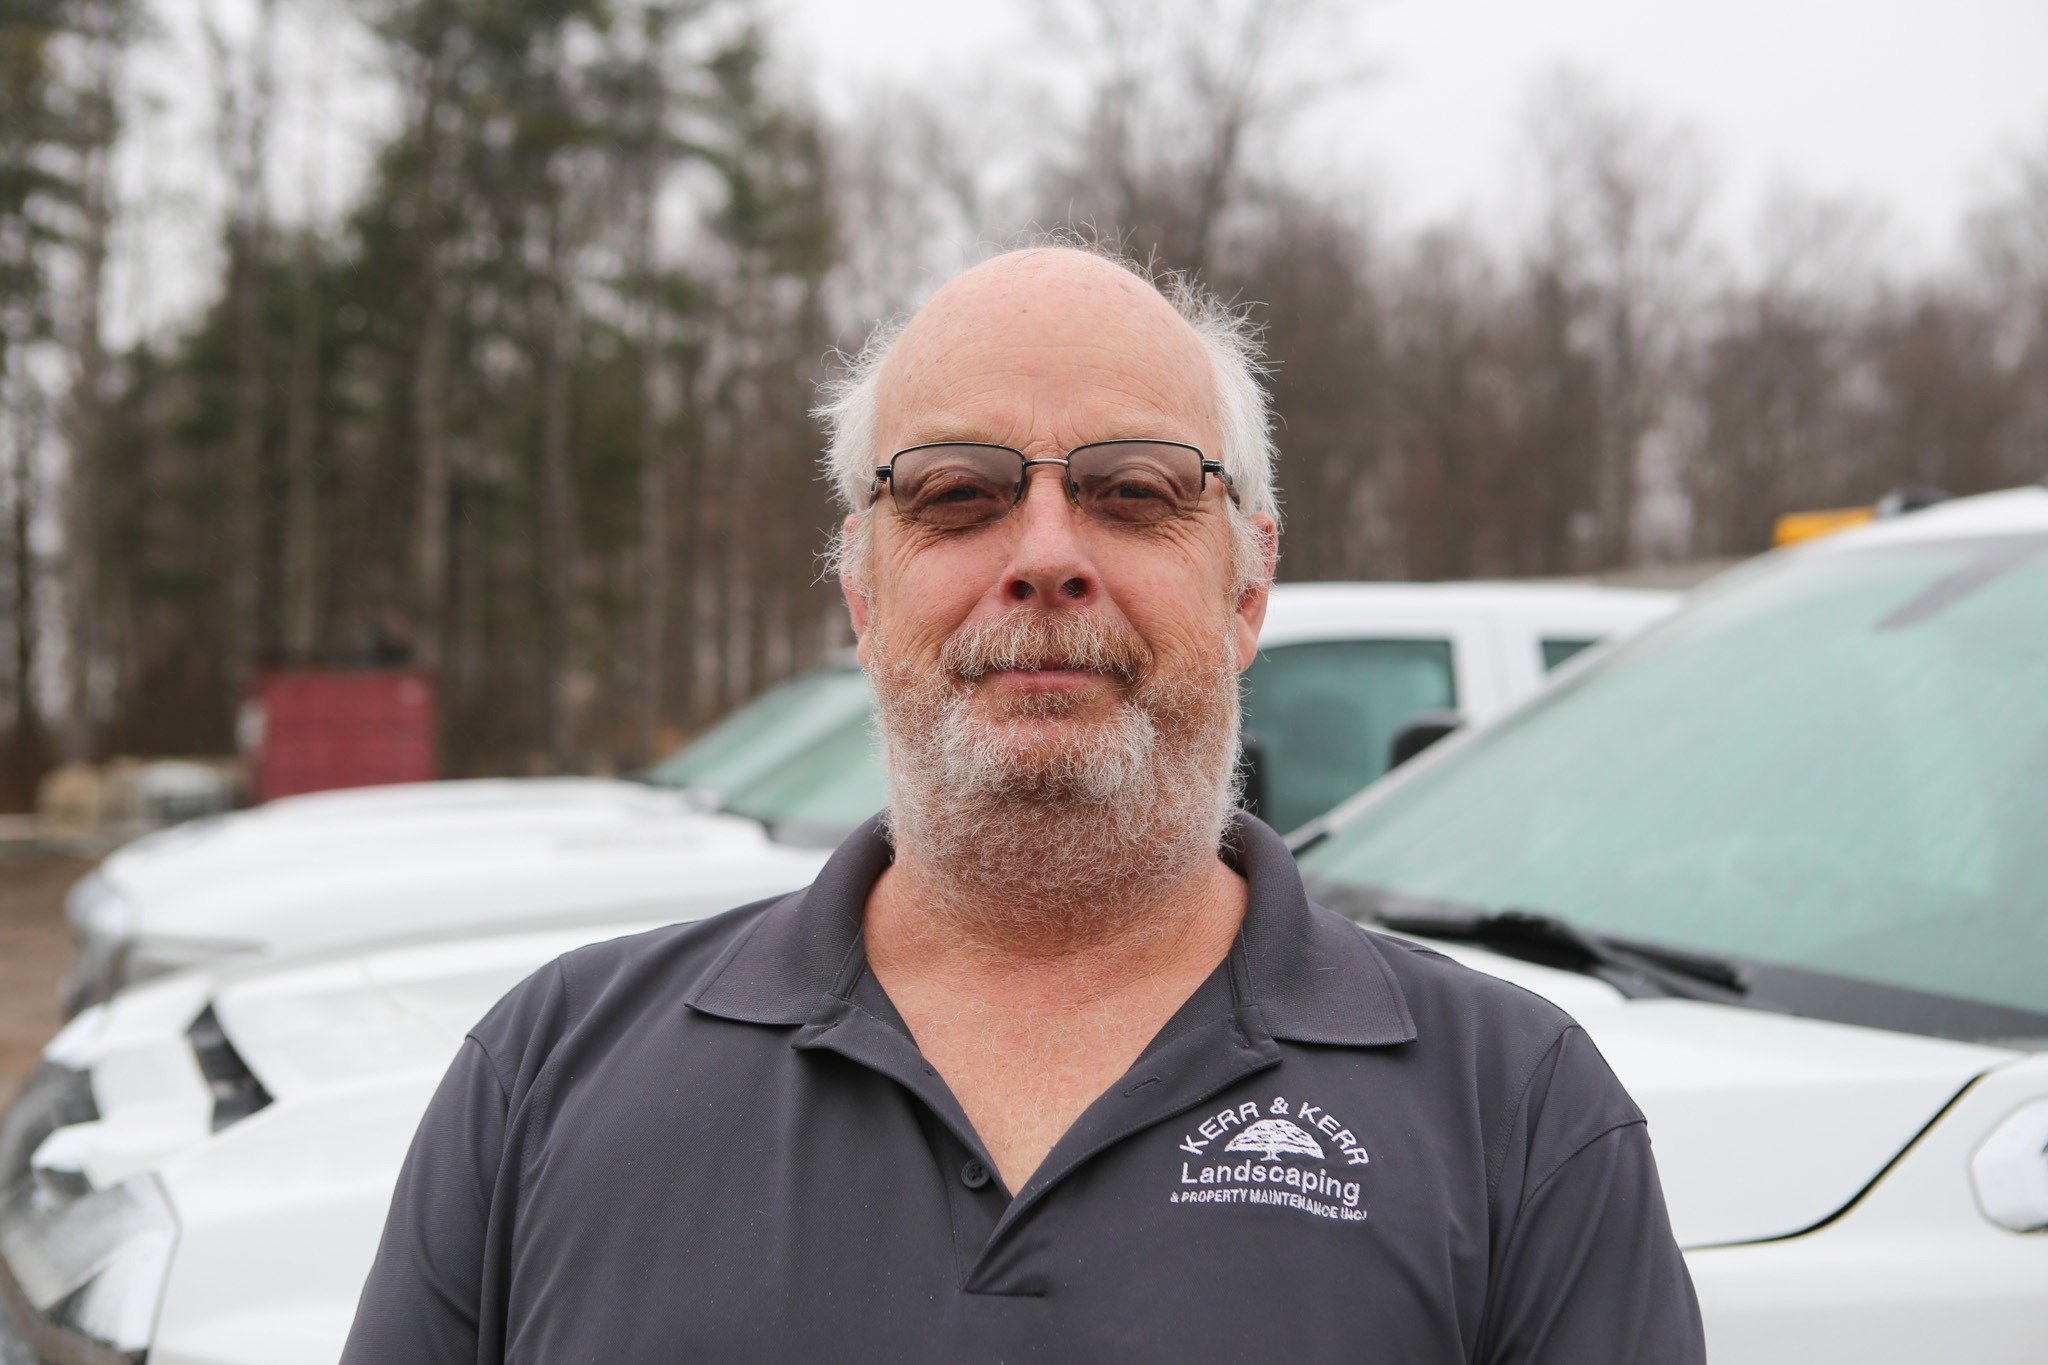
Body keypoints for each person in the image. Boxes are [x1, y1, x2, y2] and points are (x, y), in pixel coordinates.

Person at [341, 243, 1705, 1363]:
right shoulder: (546, 1075)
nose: (1046, 555)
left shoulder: (1519, 1114)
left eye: (1133, 491)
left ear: (1247, 583)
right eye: (955, 494)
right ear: (863, 594)